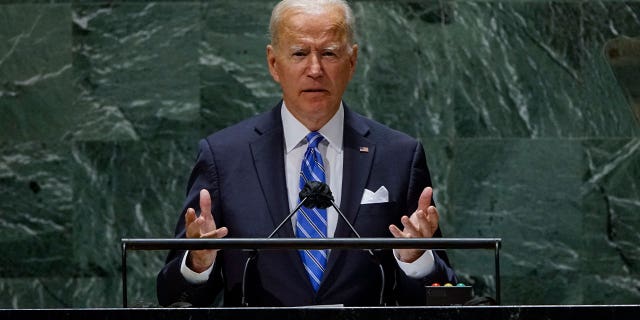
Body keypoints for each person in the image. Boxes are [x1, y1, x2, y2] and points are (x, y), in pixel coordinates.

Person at [157, 0, 457, 307]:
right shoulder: (223, 157)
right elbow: (172, 298)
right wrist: (198, 263)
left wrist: (417, 259)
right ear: (274, 63)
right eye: (299, 53)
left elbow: (445, 291)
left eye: (329, 53)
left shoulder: (399, 156)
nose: (315, 69)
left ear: (352, 62)